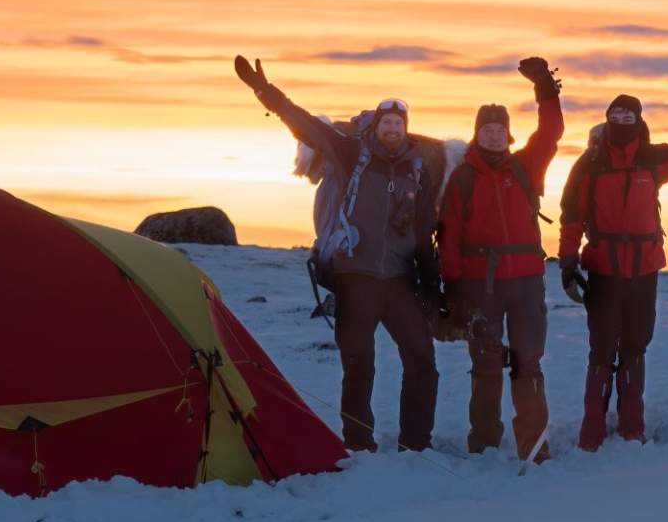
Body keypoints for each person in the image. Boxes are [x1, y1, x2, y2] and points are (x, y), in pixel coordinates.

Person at [235, 55, 440, 452]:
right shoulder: (350, 154)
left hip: (399, 282)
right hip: (356, 280)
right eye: (387, 123)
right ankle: (359, 445)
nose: (393, 129)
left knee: (422, 361)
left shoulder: (419, 168)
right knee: (359, 365)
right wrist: (265, 92)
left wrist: (431, 279)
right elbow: (307, 124)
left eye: (399, 123)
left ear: (406, 128)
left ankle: (416, 443)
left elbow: (425, 228)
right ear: (376, 127)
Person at [557, 65, 668, 452]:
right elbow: (571, 216)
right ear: (606, 120)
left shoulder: (653, 160)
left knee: (634, 347)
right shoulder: (589, 165)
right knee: (601, 351)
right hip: (603, 271)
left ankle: (633, 428)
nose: (622, 121)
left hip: (645, 270)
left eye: (629, 116)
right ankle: (591, 432)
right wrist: (567, 264)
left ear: (640, 121)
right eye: (615, 116)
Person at [436, 58, 565, 459]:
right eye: (486, 129)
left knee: (528, 362)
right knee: (487, 365)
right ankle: (484, 445)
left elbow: (551, 132)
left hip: (526, 282)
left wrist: (544, 88)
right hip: (481, 286)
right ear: (477, 134)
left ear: (508, 134)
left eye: (499, 129)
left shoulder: (526, 166)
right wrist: (454, 288)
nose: (494, 135)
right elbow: (450, 236)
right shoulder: (463, 178)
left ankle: (534, 446)